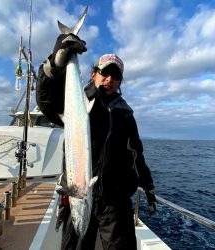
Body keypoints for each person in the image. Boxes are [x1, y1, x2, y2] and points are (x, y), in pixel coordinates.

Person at [36, 33, 157, 250]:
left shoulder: (125, 114)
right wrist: (55, 62)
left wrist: (147, 184)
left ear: (120, 81)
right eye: (105, 73)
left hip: (115, 200)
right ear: (94, 74)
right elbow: (46, 101)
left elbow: (136, 152)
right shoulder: (76, 102)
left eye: (116, 76)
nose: (109, 79)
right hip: (78, 191)